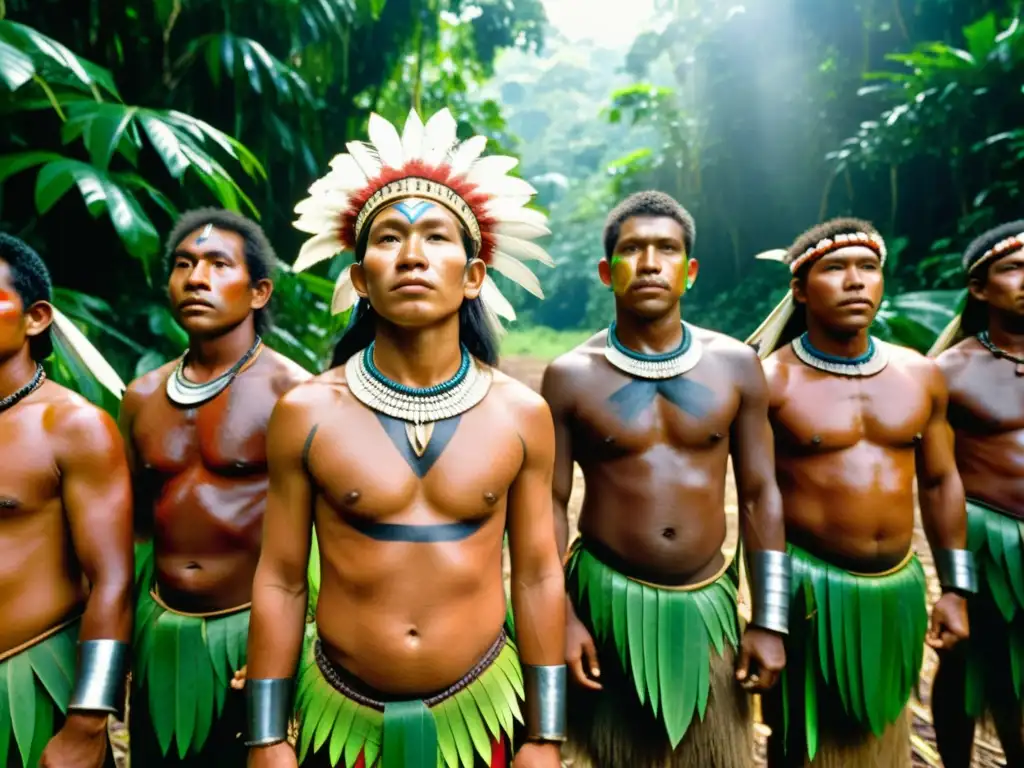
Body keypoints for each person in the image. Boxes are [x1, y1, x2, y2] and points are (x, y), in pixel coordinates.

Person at [243, 107, 566, 768]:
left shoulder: (521, 415)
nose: (412, 255)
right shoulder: (306, 413)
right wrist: (267, 734)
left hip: (480, 717)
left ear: (474, 275)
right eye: (388, 238)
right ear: (360, 279)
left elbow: (535, 575)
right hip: (343, 723)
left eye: (437, 238)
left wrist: (546, 734)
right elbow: (279, 579)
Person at [541, 190, 789, 768]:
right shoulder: (571, 377)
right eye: (633, 249)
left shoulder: (735, 365)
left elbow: (759, 494)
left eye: (667, 249)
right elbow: (546, 504)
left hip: (708, 604)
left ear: (690, 271)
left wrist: (770, 619)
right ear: (607, 271)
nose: (650, 262)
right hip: (604, 603)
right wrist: (562, 615)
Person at [747, 217, 975, 767]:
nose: (855, 282)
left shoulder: (921, 376)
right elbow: (759, 499)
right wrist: (768, 618)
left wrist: (954, 589)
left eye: (869, 268)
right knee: (800, 742)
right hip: (808, 593)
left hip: (896, 590)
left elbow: (942, 481)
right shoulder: (768, 381)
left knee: (882, 735)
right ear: (800, 290)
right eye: (834, 269)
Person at [118, 209, 309, 766]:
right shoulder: (142, 396)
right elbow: (132, 528)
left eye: (218, 264)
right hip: (163, 635)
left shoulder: (295, 395)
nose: (196, 278)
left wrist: (296, 644)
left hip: (254, 637)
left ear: (258, 291)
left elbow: (327, 533)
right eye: (183, 264)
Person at [0, 232, 134, 768]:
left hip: (31, 684)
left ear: (35, 318)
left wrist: (86, 722)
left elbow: (113, 581)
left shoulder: (73, 426)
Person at [928, 221, 1024, 767]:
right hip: (986, 540)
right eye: (1012, 268)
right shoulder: (948, 372)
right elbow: (938, 476)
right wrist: (953, 581)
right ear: (980, 288)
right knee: (965, 662)